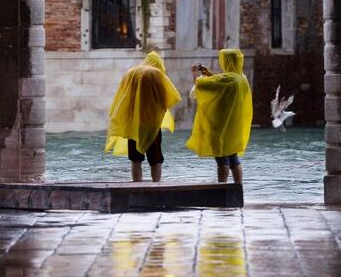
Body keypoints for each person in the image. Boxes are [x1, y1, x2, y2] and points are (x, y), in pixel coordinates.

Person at [105, 50, 181, 182]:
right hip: (150, 123)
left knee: (135, 159)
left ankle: (137, 185)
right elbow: (169, 97)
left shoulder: (130, 73)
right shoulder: (156, 73)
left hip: (133, 122)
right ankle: (156, 185)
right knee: (156, 158)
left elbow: (122, 96)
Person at [186, 48, 253, 183]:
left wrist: (194, 72)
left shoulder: (226, 79)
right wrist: (208, 73)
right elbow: (219, 81)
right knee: (233, 157)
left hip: (221, 125)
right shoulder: (241, 78)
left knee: (222, 157)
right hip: (235, 126)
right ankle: (237, 188)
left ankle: (222, 189)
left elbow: (200, 85)